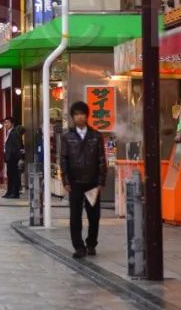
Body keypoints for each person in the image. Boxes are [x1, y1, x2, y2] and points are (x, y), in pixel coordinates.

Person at [59, 101, 108, 258]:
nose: (80, 117)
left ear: (87, 116)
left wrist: (101, 181)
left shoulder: (96, 136)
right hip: (75, 182)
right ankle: (78, 246)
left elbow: (102, 159)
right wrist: (65, 181)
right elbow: (63, 159)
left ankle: (91, 243)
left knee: (94, 215)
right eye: (77, 114)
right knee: (75, 216)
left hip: (93, 182)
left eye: (82, 114)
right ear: (73, 117)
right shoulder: (67, 137)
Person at [3, 117, 23, 199]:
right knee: (10, 175)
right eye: (5, 123)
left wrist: (17, 157)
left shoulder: (14, 133)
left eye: (7, 122)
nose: (5, 124)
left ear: (12, 124)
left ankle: (15, 193)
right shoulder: (8, 132)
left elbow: (18, 146)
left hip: (13, 158)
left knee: (14, 175)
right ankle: (9, 192)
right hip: (9, 158)